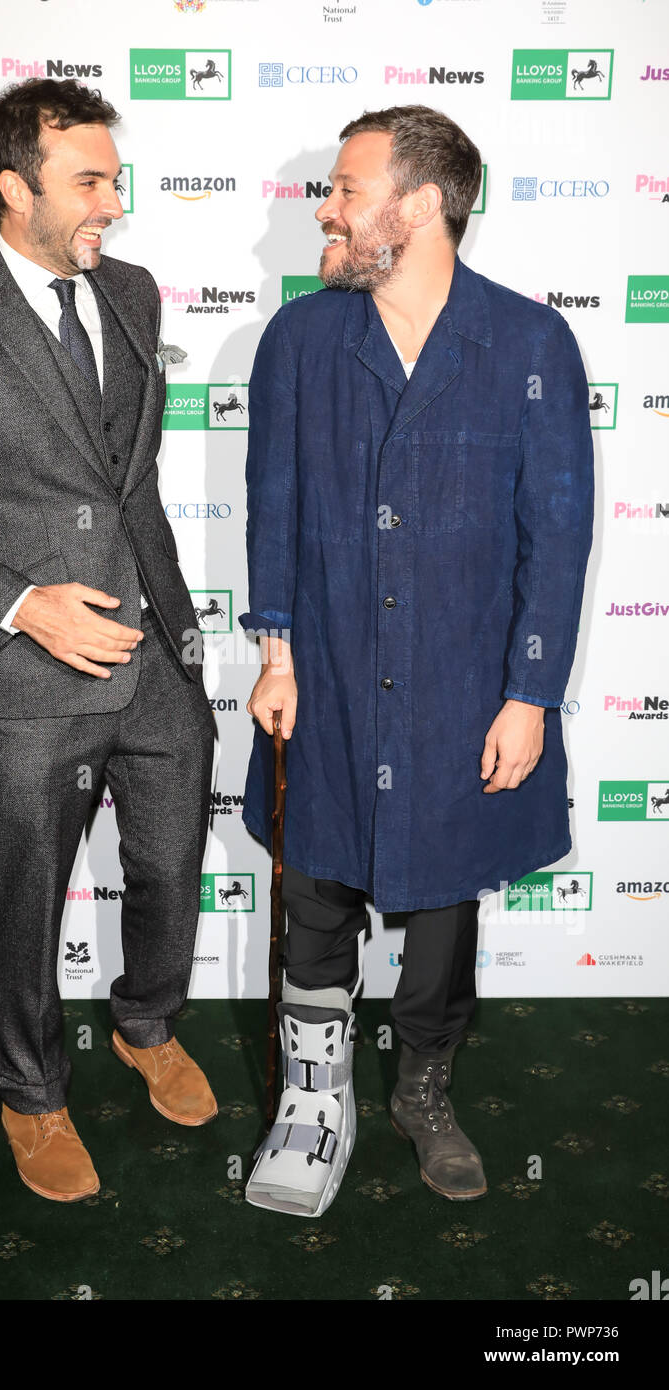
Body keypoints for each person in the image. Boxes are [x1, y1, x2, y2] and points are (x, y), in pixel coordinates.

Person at [0, 78, 217, 1204]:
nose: (114, 198)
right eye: (89, 180)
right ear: (15, 190)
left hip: (155, 652)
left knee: (168, 867)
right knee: (29, 891)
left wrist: (180, 623)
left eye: (114, 174)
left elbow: (129, 482)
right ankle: (30, 1090)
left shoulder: (135, 293)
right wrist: (21, 605)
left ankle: (146, 1023)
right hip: (33, 670)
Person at [238, 104, 593, 1217]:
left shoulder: (528, 344)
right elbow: (272, 508)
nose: (324, 207)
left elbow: (558, 531)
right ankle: (315, 1095)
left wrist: (529, 694)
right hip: (330, 671)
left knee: (442, 911)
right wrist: (277, 648)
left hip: (460, 681)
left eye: (345, 188)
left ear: (421, 204)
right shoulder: (300, 340)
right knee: (313, 890)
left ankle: (424, 1088)